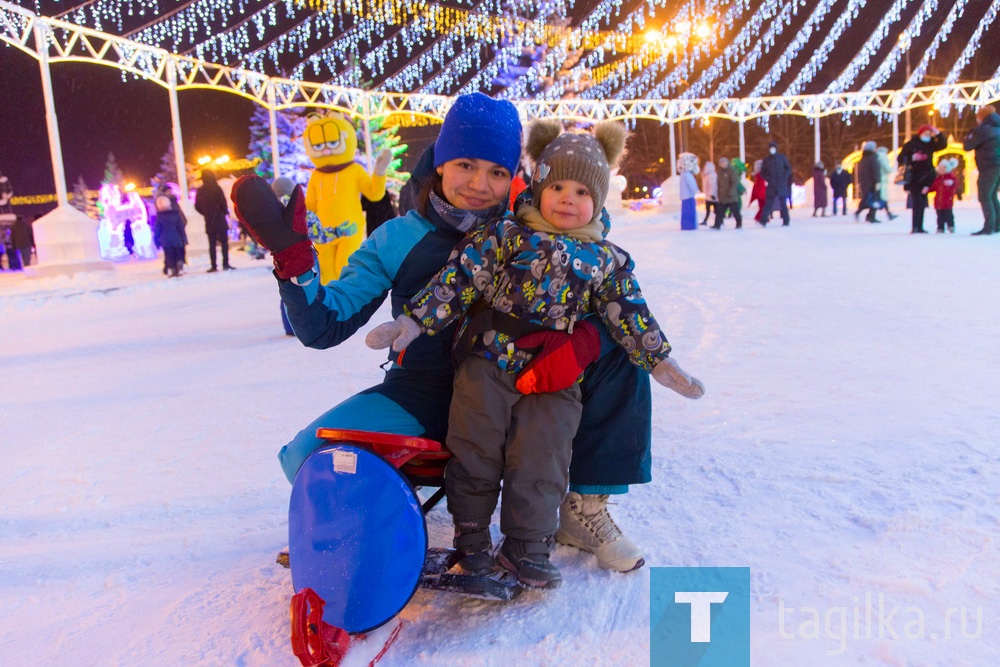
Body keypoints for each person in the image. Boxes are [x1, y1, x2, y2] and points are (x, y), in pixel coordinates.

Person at [230, 92, 657, 574]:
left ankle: (585, 505)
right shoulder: (399, 237)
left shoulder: (535, 228)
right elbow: (326, 325)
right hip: (426, 393)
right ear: (439, 163)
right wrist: (295, 265)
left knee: (625, 353)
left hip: (522, 391)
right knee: (304, 461)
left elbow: (616, 296)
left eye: (497, 171)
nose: (479, 185)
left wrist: (586, 340)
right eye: (465, 165)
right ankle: (377, 509)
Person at [365, 120, 704, 589]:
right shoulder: (505, 236)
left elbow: (631, 314)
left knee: (543, 456)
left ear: (599, 201)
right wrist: (412, 322)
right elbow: (460, 281)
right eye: (558, 185)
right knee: (476, 448)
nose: (568, 198)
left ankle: (529, 544)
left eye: (583, 191)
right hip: (489, 361)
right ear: (539, 187)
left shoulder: (606, 259)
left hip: (555, 376)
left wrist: (660, 362)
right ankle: (472, 540)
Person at [898, 124, 947, 234]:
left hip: (927, 176)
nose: (928, 135)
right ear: (920, 133)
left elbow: (943, 145)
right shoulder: (910, 144)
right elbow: (900, 158)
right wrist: (913, 157)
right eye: (926, 133)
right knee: (917, 201)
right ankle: (916, 226)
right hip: (914, 176)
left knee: (922, 202)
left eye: (930, 133)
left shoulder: (931, 144)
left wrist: (938, 133)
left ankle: (919, 226)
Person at [963, 105, 1000, 236]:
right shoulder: (998, 127)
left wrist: (970, 133)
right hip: (998, 166)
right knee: (992, 195)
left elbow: (967, 146)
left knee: (985, 196)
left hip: (988, 166)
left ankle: (989, 227)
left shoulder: (983, 130)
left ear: (981, 117)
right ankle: (997, 225)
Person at [194, 169, 235, 271]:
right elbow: (223, 203)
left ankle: (214, 265)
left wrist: (206, 213)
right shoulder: (217, 188)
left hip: (209, 220)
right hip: (220, 219)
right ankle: (225, 263)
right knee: (224, 243)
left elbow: (197, 206)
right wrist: (223, 212)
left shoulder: (201, 191)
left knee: (212, 244)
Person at [759, 141, 792, 226]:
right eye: (771, 148)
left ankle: (786, 220)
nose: (772, 150)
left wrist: (784, 177)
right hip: (771, 185)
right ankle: (763, 220)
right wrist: (769, 179)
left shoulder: (782, 158)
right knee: (768, 204)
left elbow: (788, 169)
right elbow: (762, 172)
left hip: (781, 184)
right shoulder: (766, 160)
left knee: (783, 204)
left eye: (774, 148)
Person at [153, 195, 186, 277]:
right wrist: (183, 238)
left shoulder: (159, 217)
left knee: (169, 255)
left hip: (165, 239)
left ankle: (171, 268)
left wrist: (156, 241)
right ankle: (179, 265)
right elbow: (180, 227)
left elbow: (157, 230)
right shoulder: (176, 214)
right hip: (176, 237)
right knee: (178, 252)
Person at [924, 158, 960, 233]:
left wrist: (952, 183)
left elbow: (956, 184)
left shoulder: (951, 177)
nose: (941, 170)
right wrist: (928, 189)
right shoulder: (938, 178)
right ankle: (940, 227)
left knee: (948, 215)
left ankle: (950, 226)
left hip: (947, 201)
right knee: (939, 216)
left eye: (943, 168)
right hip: (938, 202)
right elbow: (934, 187)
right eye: (940, 168)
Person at [854, 141, 882, 223]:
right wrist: (877, 181)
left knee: (867, 199)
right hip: (872, 182)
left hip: (865, 182)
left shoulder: (863, 159)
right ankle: (871, 216)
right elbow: (875, 171)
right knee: (874, 199)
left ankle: (864, 213)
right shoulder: (873, 158)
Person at [714, 157, 742, 229]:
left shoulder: (732, 171)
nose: (724, 164)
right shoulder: (719, 173)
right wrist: (718, 194)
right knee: (720, 212)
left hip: (731, 196)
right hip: (723, 196)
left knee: (735, 211)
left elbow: (734, 182)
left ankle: (739, 224)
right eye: (722, 163)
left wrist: (731, 192)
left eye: (725, 162)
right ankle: (717, 225)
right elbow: (718, 184)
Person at [875, 147, 899, 221]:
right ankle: (871, 214)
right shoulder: (883, 156)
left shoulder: (876, 156)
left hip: (878, 178)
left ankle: (888, 214)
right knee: (882, 197)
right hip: (883, 178)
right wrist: (891, 170)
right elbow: (886, 167)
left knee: (881, 197)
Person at [678, 152, 700, 230]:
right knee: (689, 211)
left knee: (686, 212)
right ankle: (689, 225)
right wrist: (696, 190)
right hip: (688, 196)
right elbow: (691, 184)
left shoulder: (684, 174)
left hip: (685, 196)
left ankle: (686, 225)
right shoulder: (687, 174)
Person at [700, 161, 718, 225]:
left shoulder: (711, 175)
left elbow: (712, 185)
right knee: (710, 209)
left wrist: (712, 194)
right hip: (709, 195)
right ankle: (706, 220)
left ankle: (719, 220)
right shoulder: (708, 175)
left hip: (712, 196)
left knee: (714, 209)